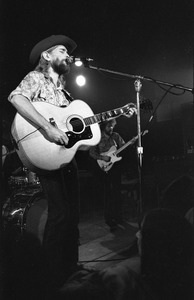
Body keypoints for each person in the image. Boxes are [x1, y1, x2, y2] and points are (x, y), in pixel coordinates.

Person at [7, 34, 81, 293]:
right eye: (62, 50)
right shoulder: (35, 78)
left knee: (72, 214)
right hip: (45, 154)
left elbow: (71, 127)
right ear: (47, 56)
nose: (67, 55)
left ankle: (71, 266)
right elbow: (16, 99)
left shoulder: (65, 92)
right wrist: (47, 129)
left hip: (66, 156)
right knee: (59, 213)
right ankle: (50, 275)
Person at [59, 208, 194, 300]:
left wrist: (83, 276)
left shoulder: (124, 278)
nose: (137, 234)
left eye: (142, 232)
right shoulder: (183, 279)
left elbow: (67, 294)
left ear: (153, 242)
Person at [89, 119, 126, 232]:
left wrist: (130, 143)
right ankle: (109, 219)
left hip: (115, 166)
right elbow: (92, 152)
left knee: (117, 192)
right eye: (109, 126)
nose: (111, 128)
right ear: (104, 126)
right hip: (103, 168)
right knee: (108, 194)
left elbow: (123, 146)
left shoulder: (116, 136)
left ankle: (118, 217)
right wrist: (103, 157)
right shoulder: (98, 137)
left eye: (113, 126)